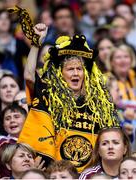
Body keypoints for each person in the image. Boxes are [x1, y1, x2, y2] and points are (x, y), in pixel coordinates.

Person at [10, 7, 119, 172]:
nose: (76, 73)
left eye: (79, 69)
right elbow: (30, 77)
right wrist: (35, 44)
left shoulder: (99, 104)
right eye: (70, 69)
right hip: (52, 172)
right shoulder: (49, 95)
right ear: (61, 74)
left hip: (87, 174)